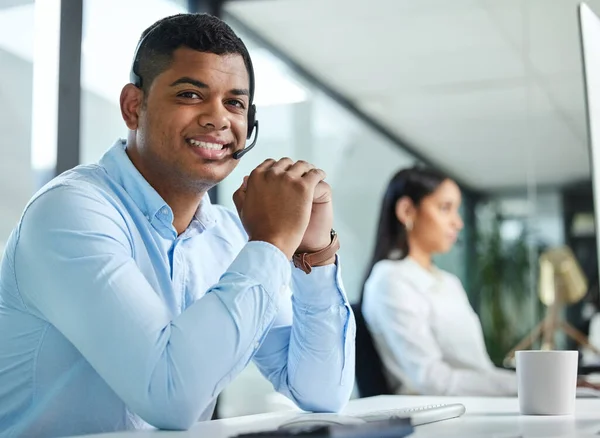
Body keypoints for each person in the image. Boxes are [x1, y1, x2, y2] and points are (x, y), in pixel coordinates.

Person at [0, 14, 354, 437]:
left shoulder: (229, 235)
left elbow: (322, 391)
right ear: (134, 107)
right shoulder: (70, 212)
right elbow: (169, 396)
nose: (218, 119)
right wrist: (274, 241)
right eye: (190, 94)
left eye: (235, 103)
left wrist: (311, 253)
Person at [361, 167, 517, 396]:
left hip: (476, 405)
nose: (458, 223)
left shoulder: (449, 282)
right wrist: (524, 385)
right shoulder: (390, 279)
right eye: (445, 208)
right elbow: (432, 380)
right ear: (407, 211)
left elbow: (480, 369)